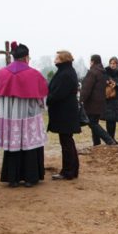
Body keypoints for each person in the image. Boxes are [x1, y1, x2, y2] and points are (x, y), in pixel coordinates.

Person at [0, 42, 49, 187]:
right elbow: (42, 96)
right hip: (28, 115)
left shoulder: (1, 73)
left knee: (14, 143)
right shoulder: (34, 74)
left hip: (9, 115)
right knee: (29, 143)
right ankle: (30, 177)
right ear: (26, 57)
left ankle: (12, 178)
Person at [46, 51, 81, 180]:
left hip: (65, 113)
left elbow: (59, 93)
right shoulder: (66, 72)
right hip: (65, 112)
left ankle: (68, 171)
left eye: (57, 57)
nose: (55, 59)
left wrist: (48, 99)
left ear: (63, 59)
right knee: (67, 142)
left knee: (66, 143)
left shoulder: (65, 74)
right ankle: (71, 170)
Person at [80, 54, 117, 146]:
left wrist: (81, 99)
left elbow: (86, 88)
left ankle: (108, 140)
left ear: (92, 61)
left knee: (92, 123)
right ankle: (96, 144)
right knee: (94, 123)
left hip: (92, 103)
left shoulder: (92, 72)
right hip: (101, 102)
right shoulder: (102, 72)